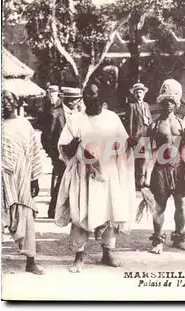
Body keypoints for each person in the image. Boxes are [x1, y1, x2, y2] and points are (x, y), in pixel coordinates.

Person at [55, 84, 135, 273]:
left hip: (107, 172)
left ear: (101, 96)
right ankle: (78, 257)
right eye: (87, 94)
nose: (91, 97)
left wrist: (130, 143)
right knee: (81, 211)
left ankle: (107, 254)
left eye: (94, 93)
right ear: (83, 98)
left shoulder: (112, 118)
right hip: (83, 174)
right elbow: (63, 148)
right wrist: (74, 145)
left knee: (108, 212)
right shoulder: (75, 120)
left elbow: (123, 143)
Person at [143, 79, 185, 254]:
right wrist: (143, 175)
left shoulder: (183, 124)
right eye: (165, 102)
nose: (168, 105)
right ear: (161, 103)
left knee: (181, 204)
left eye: (171, 102)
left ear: (176, 104)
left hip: (179, 169)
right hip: (161, 169)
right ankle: (157, 241)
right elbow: (145, 151)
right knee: (160, 206)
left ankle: (179, 238)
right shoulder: (154, 125)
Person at [2, 90, 44, 275]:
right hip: (0, 181)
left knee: (26, 219)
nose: (5, 103)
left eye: (8, 99)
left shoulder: (24, 124)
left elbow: (35, 152)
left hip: (22, 179)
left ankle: (31, 261)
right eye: (1, 100)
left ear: (16, 101)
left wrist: (35, 179)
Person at [45, 87, 83, 218]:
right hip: (60, 155)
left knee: (72, 181)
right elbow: (47, 138)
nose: (77, 103)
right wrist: (54, 156)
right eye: (76, 100)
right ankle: (53, 210)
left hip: (75, 154)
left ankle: (70, 211)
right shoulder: (54, 114)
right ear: (69, 100)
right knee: (61, 180)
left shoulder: (78, 113)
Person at [126, 82, 152, 190]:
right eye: (137, 92)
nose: (139, 95)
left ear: (144, 94)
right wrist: (132, 137)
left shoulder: (146, 105)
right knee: (140, 157)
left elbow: (149, 119)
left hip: (147, 133)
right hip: (138, 135)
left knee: (147, 157)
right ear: (134, 94)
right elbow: (130, 122)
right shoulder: (132, 106)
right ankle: (138, 181)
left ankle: (144, 178)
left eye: (140, 92)